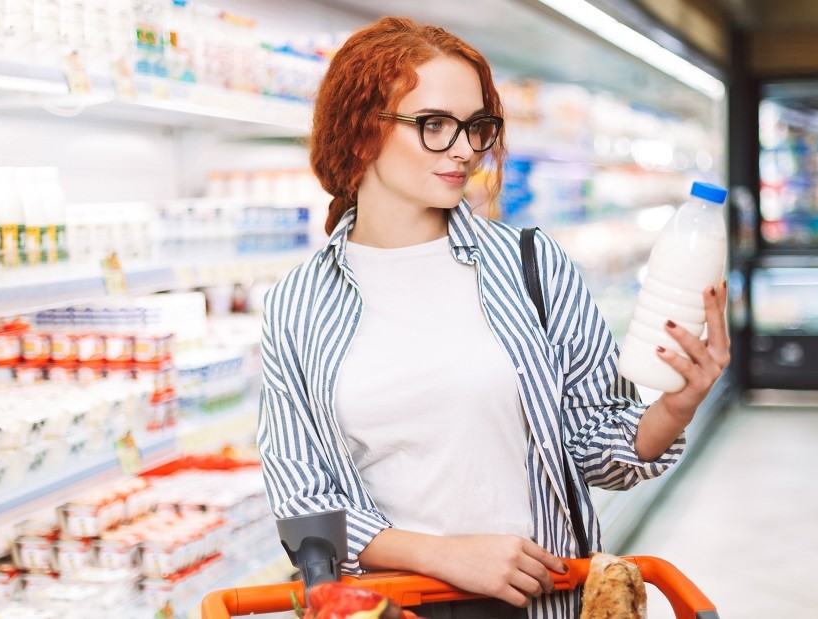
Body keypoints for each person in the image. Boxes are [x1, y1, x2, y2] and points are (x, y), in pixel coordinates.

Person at [257, 16, 730, 619]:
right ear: (358, 133)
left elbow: (596, 448)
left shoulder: (532, 266)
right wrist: (443, 556)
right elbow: (304, 502)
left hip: (538, 598)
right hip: (389, 606)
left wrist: (676, 405)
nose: (465, 150)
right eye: (434, 125)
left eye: (476, 126)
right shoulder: (297, 304)